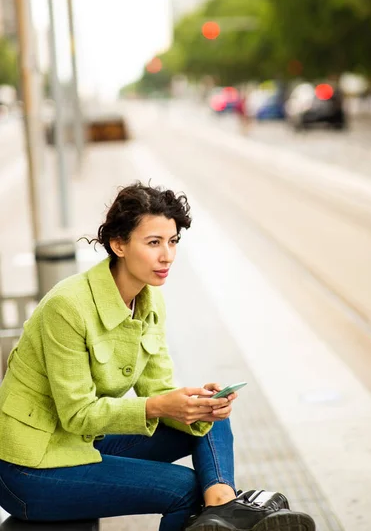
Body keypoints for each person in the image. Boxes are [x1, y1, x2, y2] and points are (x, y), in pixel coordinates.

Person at [0, 182, 315, 531]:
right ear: (119, 244)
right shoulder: (68, 306)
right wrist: (161, 407)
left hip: (86, 443)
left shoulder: (149, 301)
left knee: (210, 418)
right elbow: (77, 414)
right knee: (182, 488)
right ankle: (231, 514)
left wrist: (195, 403)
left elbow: (160, 388)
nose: (167, 255)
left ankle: (224, 505)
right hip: (32, 468)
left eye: (173, 241)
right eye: (153, 243)